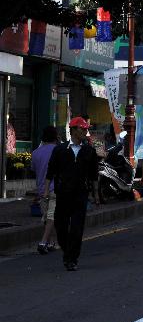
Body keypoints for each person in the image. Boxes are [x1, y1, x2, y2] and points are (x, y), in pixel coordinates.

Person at [45, 116, 98, 271]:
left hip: (80, 194)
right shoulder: (60, 149)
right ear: (73, 130)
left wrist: (96, 195)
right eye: (82, 129)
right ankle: (67, 251)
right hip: (62, 194)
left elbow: (94, 175)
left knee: (77, 228)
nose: (85, 131)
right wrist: (46, 191)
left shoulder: (89, 151)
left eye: (86, 129)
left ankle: (72, 259)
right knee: (61, 226)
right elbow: (51, 171)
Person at [32, 126, 59, 255]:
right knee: (51, 216)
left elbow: (34, 170)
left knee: (46, 216)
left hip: (42, 189)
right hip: (55, 188)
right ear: (55, 137)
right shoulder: (58, 150)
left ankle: (50, 242)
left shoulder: (35, 153)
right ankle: (43, 242)